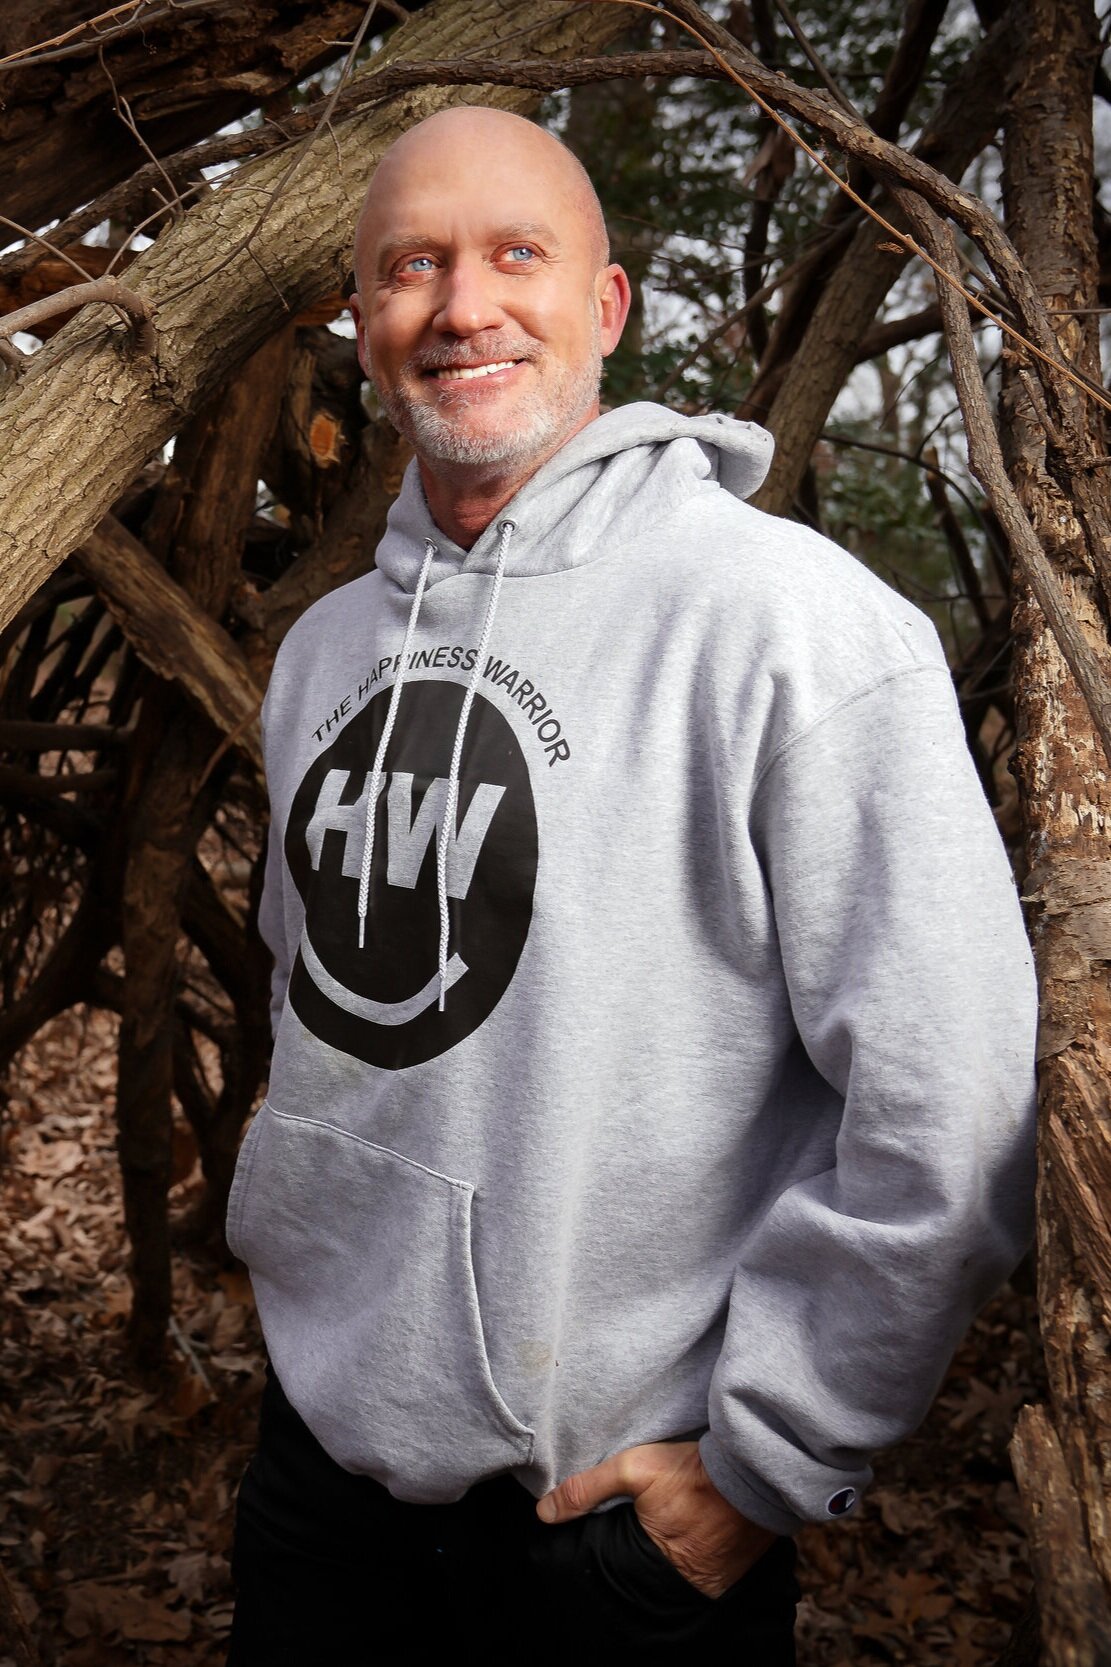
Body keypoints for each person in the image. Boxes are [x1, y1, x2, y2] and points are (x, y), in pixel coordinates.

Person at [224, 106, 1037, 1663]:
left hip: (609, 1530)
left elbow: (953, 1095)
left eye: (516, 254)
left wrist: (767, 1466)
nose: (463, 305)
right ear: (363, 318)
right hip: (320, 1485)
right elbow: (313, 1009)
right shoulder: (323, 653)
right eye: (412, 266)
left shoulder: (791, 628)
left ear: (605, 308)